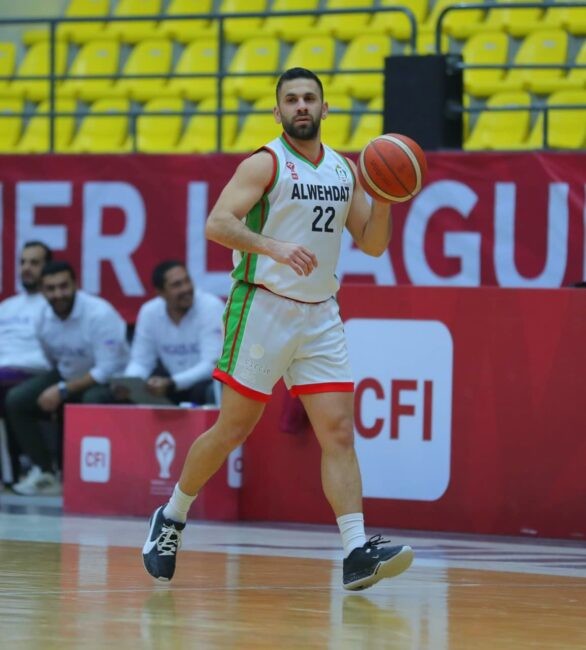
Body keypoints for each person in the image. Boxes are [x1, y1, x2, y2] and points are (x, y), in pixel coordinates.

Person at [142, 67, 414, 590]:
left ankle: (356, 550)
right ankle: (171, 516)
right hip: (263, 307)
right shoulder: (265, 163)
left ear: (325, 108)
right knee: (233, 430)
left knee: (338, 431)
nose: (301, 106)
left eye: (310, 98)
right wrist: (275, 247)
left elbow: (373, 243)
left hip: (320, 312)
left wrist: (383, 195)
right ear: (278, 111)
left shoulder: (344, 169)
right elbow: (218, 223)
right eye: (292, 99)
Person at [5, 260, 129, 495]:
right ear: (42, 291)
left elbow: (107, 368)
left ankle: (93, 478)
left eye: (63, 286)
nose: (58, 294)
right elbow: (52, 361)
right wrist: (61, 386)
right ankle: (45, 472)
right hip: (67, 374)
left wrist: (63, 389)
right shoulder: (42, 318)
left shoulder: (100, 314)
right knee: (17, 399)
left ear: (75, 285)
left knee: (91, 399)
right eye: (50, 288)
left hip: (112, 381)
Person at [121, 260, 224, 405]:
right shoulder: (149, 312)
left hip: (203, 383)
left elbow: (212, 364)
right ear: (161, 293)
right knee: (134, 394)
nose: (186, 288)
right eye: (177, 285)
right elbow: (141, 362)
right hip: (170, 384)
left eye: (187, 281)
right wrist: (129, 384)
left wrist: (173, 383)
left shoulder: (211, 307)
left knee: (205, 389)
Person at [0, 241, 53, 485]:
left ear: (47, 266)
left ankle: (32, 470)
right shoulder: (6, 307)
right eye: (22, 262)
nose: (26, 268)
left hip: (33, 372)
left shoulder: (52, 305)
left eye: (34, 262)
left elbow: (50, 357)